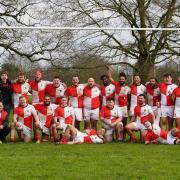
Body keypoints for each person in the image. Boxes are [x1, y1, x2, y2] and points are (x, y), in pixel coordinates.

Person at [107, 67, 131, 139]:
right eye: (120, 79)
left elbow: (129, 97)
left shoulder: (128, 88)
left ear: (125, 80)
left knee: (124, 122)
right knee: (115, 122)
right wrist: (109, 70)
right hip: (116, 107)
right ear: (119, 80)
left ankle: (123, 137)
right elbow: (110, 77)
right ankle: (115, 137)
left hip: (124, 108)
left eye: (123, 79)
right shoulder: (116, 84)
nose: (121, 80)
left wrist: (128, 103)